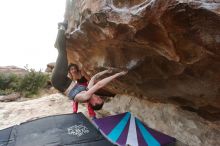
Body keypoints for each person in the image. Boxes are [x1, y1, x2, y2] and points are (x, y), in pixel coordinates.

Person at [51, 21, 127, 118]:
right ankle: (60, 32)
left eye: (99, 100)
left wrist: (118, 74)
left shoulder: (85, 97)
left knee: (62, 52)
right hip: (63, 79)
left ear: (94, 103)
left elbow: (99, 84)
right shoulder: (87, 91)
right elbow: (94, 78)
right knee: (62, 52)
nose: (99, 97)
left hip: (58, 80)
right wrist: (107, 71)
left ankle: (61, 27)